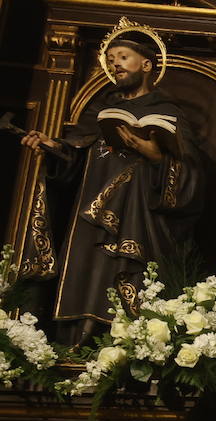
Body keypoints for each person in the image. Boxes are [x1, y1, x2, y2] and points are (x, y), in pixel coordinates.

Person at [19, 22, 203, 332]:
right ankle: (72, 341)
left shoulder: (169, 112)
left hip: (139, 218)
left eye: (123, 57)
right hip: (90, 222)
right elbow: (76, 164)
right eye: (112, 58)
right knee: (85, 277)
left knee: (126, 282)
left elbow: (191, 176)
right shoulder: (101, 113)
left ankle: (123, 342)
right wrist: (55, 147)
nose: (115, 64)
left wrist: (153, 154)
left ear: (146, 65)